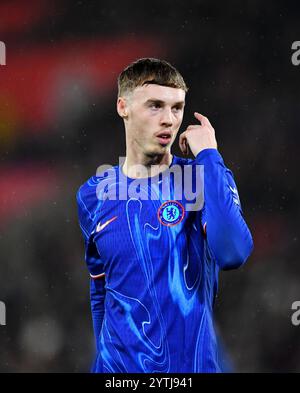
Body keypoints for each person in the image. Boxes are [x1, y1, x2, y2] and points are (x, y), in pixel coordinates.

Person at [76, 58, 253, 373]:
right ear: (123, 107)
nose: (169, 120)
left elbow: (233, 253)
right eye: (155, 106)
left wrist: (210, 155)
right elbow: (101, 290)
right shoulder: (93, 194)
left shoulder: (204, 178)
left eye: (177, 108)